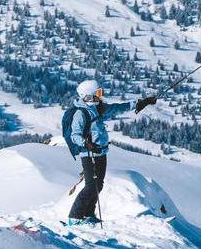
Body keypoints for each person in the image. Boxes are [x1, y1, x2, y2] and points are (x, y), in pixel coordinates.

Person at [64, 80, 157, 226]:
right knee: (90, 186)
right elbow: (74, 135)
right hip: (89, 154)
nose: (100, 96)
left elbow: (117, 108)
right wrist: (86, 143)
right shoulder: (80, 113)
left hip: (101, 152)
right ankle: (75, 217)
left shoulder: (97, 108)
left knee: (98, 185)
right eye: (97, 93)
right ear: (88, 96)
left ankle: (88, 214)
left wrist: (141, 103)